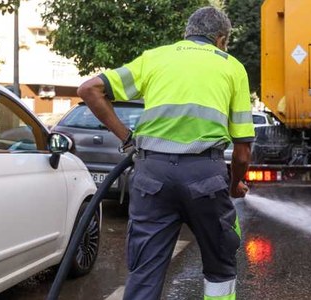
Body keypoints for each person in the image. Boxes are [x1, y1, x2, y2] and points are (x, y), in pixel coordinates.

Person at [77, 6, 254, 300]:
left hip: (151, 176)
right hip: (205, 178)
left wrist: (128, 140)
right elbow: (243, 152)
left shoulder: (155, 58)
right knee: (220, 268)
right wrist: (235, 184)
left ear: (187, 33)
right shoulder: (231, 66)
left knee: (144, 272)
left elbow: (89, 89)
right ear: (221, 39)